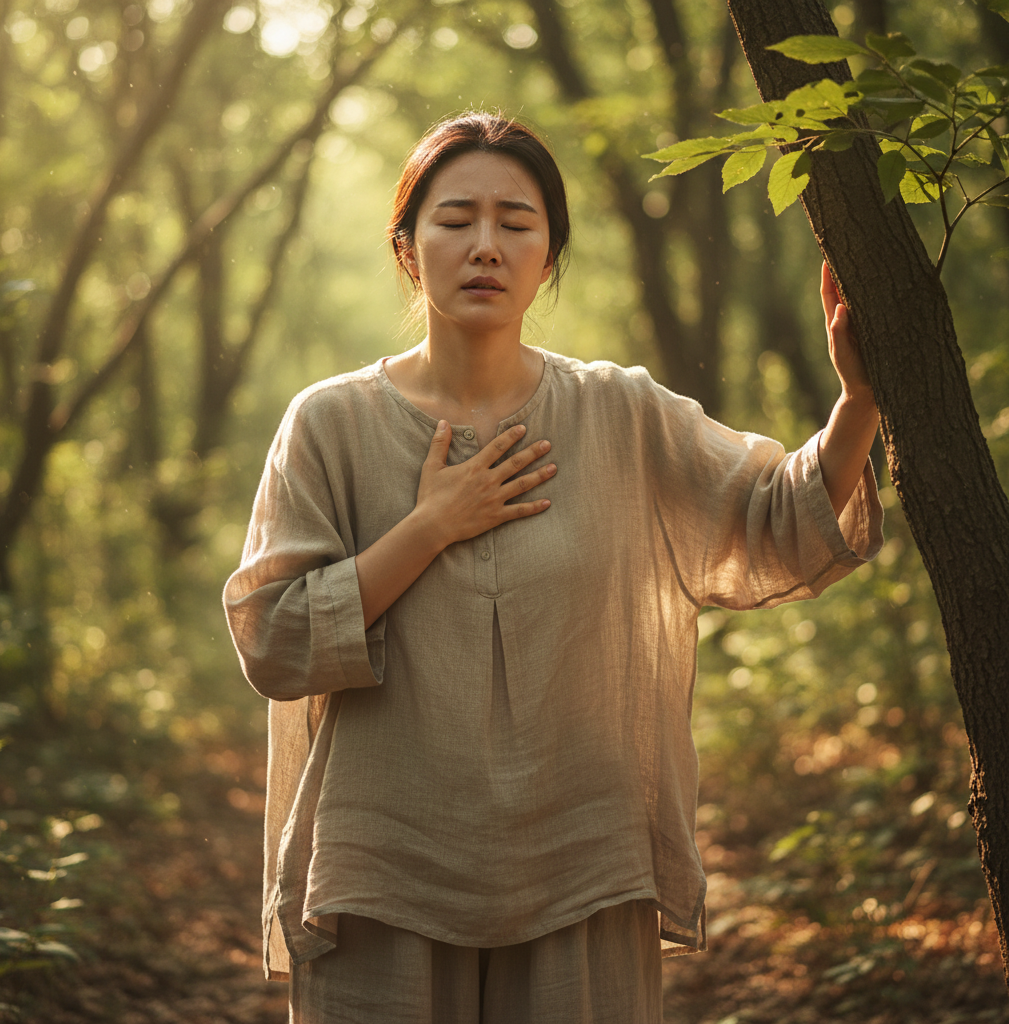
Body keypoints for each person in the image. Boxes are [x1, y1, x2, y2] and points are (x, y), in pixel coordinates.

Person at [224, 112, 883, 1024]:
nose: (485, 245)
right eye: (455, 220)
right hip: (385, 865)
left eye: (515, 221)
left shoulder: (624, 414)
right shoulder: (328, 424)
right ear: (409, 249)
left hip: (585, 860)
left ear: (549, 253)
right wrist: (430, 526)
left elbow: (774, 521)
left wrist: (859, 403)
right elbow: (275, 639)